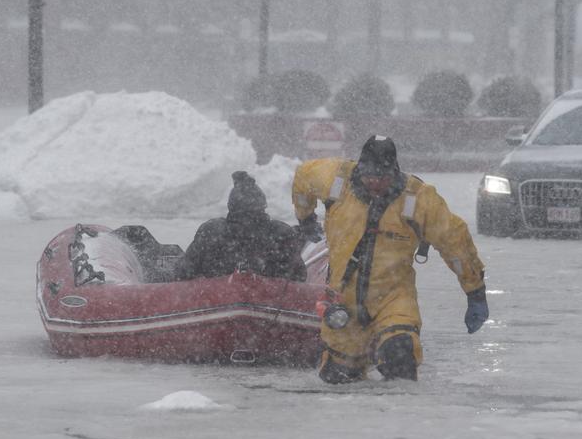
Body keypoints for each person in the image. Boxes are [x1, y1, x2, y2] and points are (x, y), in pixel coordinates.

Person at [292, 135, 489, 383]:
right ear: (359, 169)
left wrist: (475, 290)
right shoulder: (334, 179)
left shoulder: (418, 199)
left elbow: (455, 243)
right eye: (369, 176)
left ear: (394, 172)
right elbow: (302, 179)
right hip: (344, 300)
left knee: (401, 356)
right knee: (339, 377)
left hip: (394, 297)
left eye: (382, 178)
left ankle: (402, 419)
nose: (375, 183)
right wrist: (305, 217)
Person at [174, 171, 306, 282]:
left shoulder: (211, 232)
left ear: (230, 206)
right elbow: (300, 276)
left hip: (215, 302)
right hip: (270, 304)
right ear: (263, 206)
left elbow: (183, 272)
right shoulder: (280, 233)